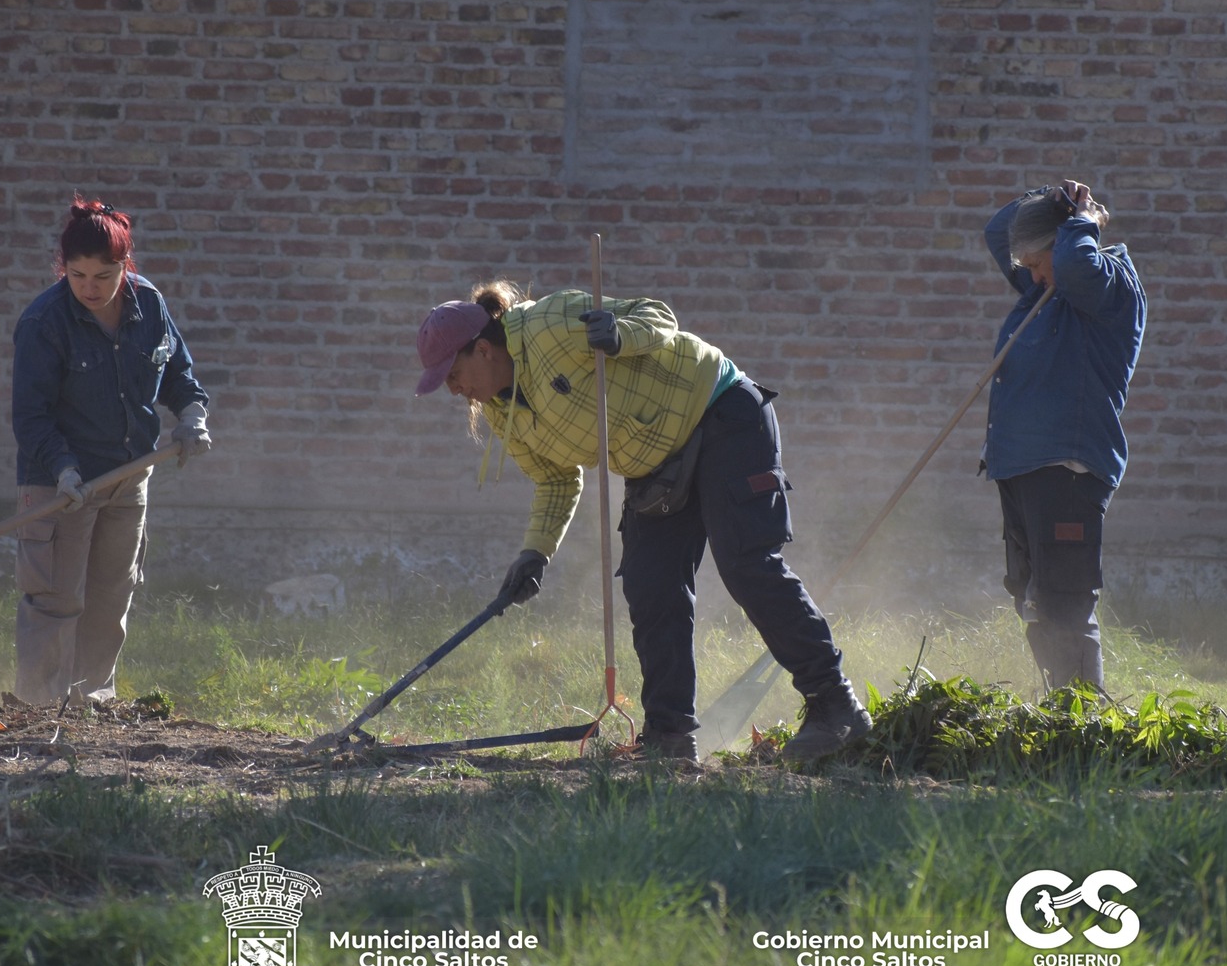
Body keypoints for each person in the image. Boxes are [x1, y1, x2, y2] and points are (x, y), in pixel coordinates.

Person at [413, 281, 871, 762]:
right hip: (655, 462)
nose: (454, 389)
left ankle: (835, 706)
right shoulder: (502, 412)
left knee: (745, 564)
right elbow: (555, 481)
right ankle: (670, 738)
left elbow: (658, 317)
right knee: (651, 582)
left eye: (453, 374)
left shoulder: (547, 325)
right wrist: (536, 551)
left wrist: (620, 335)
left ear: (483, 350)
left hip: (721, 411)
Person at [10, 198, 212, 704]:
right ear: (63, 269)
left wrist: (192, 417)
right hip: (62, 483)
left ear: (127, 266)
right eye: (77, 275)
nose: (90, 288)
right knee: (56, 601)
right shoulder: (44, 323)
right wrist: (63, 468)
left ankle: (90, 707)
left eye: (104, 275)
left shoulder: (150, 306)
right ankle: (39, 711)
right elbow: (30, 415)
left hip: (128, 478)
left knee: (109, 600)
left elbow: (178, 374)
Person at [980, 180, 1146, 693]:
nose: (1029, 275)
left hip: (1067, 471)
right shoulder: (1046, 289)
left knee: (1064, 598)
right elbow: (996, 232)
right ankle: (1062, 703)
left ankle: (1084, 722)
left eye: (1036, 262)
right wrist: (1051, 196)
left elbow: (1074, 264)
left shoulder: (1106, 288)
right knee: (1031, 595)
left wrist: (1083, 219)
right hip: (1021, 465)